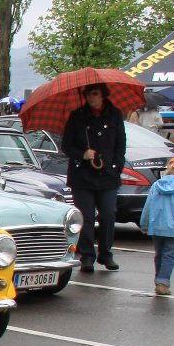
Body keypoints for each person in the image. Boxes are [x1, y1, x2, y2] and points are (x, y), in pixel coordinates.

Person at [60, 83, 126, 272]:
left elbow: (120, 143)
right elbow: (66, 145)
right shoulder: (77, 116)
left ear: (103, 95)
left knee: (108, 215)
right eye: (88, 94)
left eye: (95, 93)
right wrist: (82, 154)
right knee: (86, 217)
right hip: (83, 177)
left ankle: (106, 253)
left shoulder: (114, 115)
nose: (91, 97)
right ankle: (87, 256)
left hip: (108, 175)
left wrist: (116, 166)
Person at [139, 156, 174, 296]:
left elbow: (148, 206)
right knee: (169, 255)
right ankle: (163, 282)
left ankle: (159, 279)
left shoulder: (156, 185)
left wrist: (144, 223)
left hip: (155, 226)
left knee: (159, 254)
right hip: (173, 227)